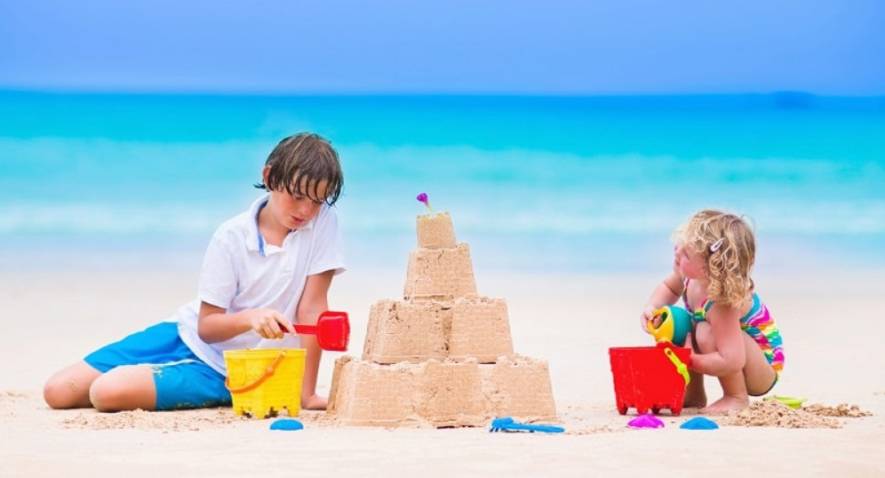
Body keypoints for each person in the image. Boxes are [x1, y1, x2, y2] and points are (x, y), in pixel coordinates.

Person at [43, 132, 345, 412]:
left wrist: (305, 394)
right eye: (297, 196)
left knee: (106, 393)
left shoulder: (323, 224)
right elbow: (207, 327)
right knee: (58, 391)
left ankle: (215, 388)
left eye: (317, 200)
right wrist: (252, 317)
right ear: (269, 177)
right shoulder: (231, 236)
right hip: (185, 333)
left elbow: (312, 310)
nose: (306, 211)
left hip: (230, 369)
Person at [640, 209, 784, 414]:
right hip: (734, 350)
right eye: (680, 244)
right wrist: (651, 308)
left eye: (686, 254)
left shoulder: (721, 302)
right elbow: (669, 288)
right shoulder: (690, 275)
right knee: (678, 323)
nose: (677, 251)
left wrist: (690, 360)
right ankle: (693, 395)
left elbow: (732, 359)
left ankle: (736, 397)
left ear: (712, 268)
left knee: (705, 332)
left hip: (761, 367)